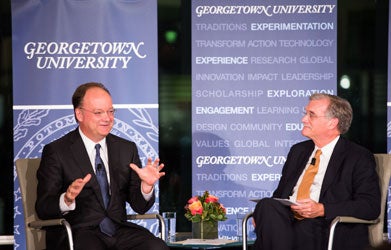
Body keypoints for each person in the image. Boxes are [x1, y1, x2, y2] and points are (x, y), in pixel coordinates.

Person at [35, 82, 169, 250]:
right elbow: (43, 207)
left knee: (156, 247)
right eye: (98, 112)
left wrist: (146, 187)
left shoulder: (126, 149)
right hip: (78, 233)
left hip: (119, 230)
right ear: (79, 114)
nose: (107, 118)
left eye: (111, 111)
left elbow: (140, 206)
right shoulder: (57, 151)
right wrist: (66, 199)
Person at [253, 93, 381, 250]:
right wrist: (265, 216)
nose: (304, 119)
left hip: (326, 227)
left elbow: (370, 206)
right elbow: (280, 195)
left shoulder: (358, 157)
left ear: (332, 123)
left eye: (311, 115)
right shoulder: (298, 151)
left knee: (303, 227)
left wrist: (322, 209)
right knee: (266, 205)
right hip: (288, 223)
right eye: (305, 113)